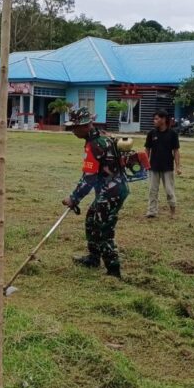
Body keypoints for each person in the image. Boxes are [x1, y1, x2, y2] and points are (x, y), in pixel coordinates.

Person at [62, 106, 129, 278]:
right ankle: (93, 258)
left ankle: (114, 271)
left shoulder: (94, 145)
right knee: (92, 218)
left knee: (103, 229)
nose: (72, 131)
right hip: (113, 188)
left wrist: (74, 198)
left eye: (75, 127)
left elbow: (89, 178)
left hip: (111, 192)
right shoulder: (102, 137)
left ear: (86, 126)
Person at [144, 109, 181, 218]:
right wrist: (145, 163)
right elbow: (147, 149)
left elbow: (176, 151)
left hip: (167, 167)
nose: (154, 121)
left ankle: (172, 211)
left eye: (156, 118)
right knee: (152, 190)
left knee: (169, 190)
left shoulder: (173, 134)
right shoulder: (151, 133)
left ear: (164, 119)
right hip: (153, 167)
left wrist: (178, 166)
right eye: (154, 119)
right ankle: (152, 211)